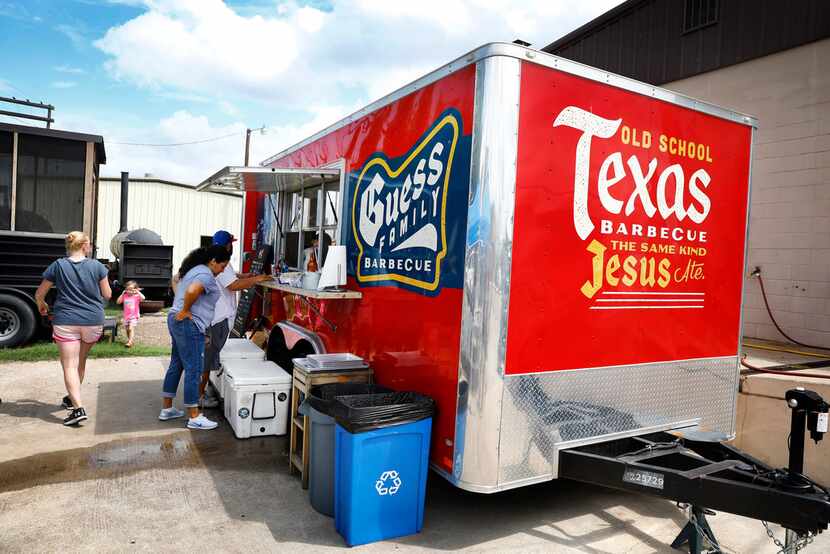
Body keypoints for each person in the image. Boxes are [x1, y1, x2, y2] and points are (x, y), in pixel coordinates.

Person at [34, 231, 112, 426]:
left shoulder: (58, 265)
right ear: (85, 245)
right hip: (93, 320)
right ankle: (71, 398)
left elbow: (39, 293)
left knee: (69, 365)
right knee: (80, 362)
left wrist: (41, 304)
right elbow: (108, 294)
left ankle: (78, 409)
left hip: (66, 320)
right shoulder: (97, 266)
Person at [159, 245, 230, 430]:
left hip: (176, 320)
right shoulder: (205, 275)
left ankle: (167, 409)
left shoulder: (194, 269)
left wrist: (181, 310)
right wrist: (185, 310)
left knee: (177, 363)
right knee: (194, 368)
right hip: (188, 323)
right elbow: (192, 291)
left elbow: (178, 282)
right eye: (222, 266)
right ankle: (194, 416)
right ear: (213, 261)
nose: (222, 270)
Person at [200, 230, 270, 407]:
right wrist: (257, 278)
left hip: (214, 317)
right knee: (207, 361)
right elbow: (233, 285)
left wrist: (245, 276)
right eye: (231, 243)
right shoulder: (220, 260)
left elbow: (230, 276)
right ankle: (198, 399)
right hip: (216, 319)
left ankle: (202, 391)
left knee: (208, 359)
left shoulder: (216, 259)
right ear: (228, 245)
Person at [116, 280, 145, 348]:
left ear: (134, 290)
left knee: (130, 328)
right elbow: (118, 302)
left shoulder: (136, 296)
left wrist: (137, 291)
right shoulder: (125, 296)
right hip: (126, 316)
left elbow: (143, 298)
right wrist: (122, 294)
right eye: (127, 289)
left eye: (131, 290)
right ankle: (130, 340)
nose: (129, 291)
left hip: (134, 316)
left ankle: (130, 341)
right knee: (127, 329)